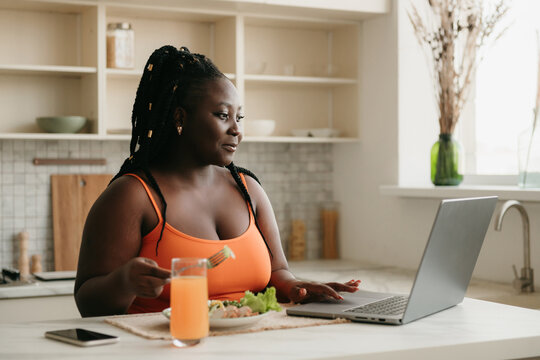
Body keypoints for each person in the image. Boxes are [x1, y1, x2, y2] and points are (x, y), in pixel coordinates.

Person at [74, 45, 360, 317]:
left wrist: (298, 287)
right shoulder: (132, 196)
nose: (236, 129)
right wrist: (124, 282)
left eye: (240, 117)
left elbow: (277, 273)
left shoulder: (249, 190)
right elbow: (88, 303)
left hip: (248, 344)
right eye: (223, 115)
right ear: (179, 117)